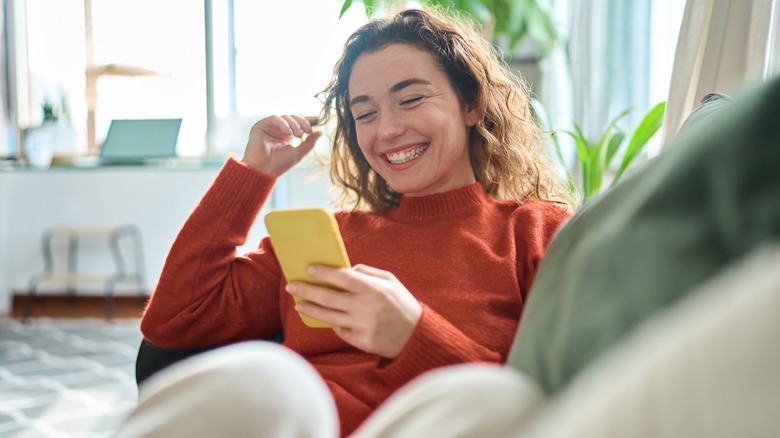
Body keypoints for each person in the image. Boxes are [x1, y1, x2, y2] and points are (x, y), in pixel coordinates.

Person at [119, 7, 572, 438]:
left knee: (502, 398)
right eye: (365, 113)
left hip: (440, 424)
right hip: (309, 424)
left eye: (410, 99)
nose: (388, 130)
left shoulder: (535, 233)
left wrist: (413, 335)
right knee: (270, 375)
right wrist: (252, 176)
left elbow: (547, 402)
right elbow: (174, 322)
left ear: (470, 104)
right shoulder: (326, 240)